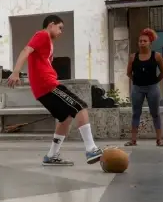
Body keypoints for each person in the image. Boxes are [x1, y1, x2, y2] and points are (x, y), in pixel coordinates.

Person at [8, 14, 103, 166]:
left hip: (41, 89)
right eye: (60, 28)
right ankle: (91, 149)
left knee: (65, 118)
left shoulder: (48, 44)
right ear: (51, 24)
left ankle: (51, 155)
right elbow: (26, 50)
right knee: (80, 107)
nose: (61, 31)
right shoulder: (42, 35)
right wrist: (16, 71)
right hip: (48, 85)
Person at [126, 28, 163, 147]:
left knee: (155, 113)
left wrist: (154, 82)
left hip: (152, 88)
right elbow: (128, 73)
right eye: (140, 41)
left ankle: (159, 140)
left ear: (150, 43)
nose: (142, 43)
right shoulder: (133, 57)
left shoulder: (157, 56)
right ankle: (133, 140)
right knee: (135, 113)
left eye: (145, 41)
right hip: (137, 88)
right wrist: (137, 81)